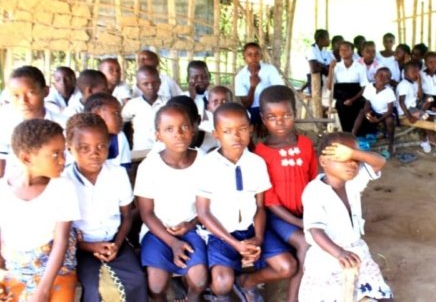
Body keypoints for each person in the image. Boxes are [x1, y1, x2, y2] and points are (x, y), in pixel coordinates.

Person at [196, 103, 296, 301]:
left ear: (250, 129)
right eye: (227, 131)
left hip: (252, 231)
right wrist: (236, 244)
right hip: (221, 235)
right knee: (222, 284)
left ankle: (246, 283)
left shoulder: (256, 163)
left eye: (242, 129)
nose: (236, 136)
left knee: (288, 266)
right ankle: (215, 291)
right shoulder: (207, 165)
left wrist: (258, 238)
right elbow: (203, 213)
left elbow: (259, 206)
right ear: (216, 134)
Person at [299, 132, 393, 301]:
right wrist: (339, 253)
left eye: (355, 160)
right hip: (327, 257)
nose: (352, 164)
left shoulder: (353, 182)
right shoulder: (314, 191)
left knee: (382, 296)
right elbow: (315, 231)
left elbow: (380, 162)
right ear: (323, 161)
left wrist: (353, 153)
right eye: (342, 158)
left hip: (356, 251)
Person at [63, 113, 146, 301]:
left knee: (137, 280)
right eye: (84, 148)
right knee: (95, 288)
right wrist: (89, 246)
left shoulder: (117, 174)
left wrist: (116, 244)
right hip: (79, 247)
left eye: (101, 146)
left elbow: (126, 217)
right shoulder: (63, 181)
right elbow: (62, 230)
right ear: (69, 148)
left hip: (115, 241)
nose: (94, 153)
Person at [134, 104, 209, 302]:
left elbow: (205, 208)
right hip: (157, 231)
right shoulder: (149, 167)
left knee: (199, 280)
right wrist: (173, 243)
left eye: (184, 127)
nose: (178, 134)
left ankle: (190, 299)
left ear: (193, 129)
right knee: (156, 285)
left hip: (192, 228)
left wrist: (190, 225)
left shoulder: (204, 162)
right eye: (169, 129)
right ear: (158, 135)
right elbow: (147, 214)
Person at [0, 119, 80, 301]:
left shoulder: (63, 188)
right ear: (27, 158)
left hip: (55, 267)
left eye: (63, 152)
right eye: (54, 154)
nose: (63, 160)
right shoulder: (3, 189)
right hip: (17, 266)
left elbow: (61, 242)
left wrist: (43, 290)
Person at [255, 86, 318, 302]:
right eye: (272, 117)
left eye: (286, 115)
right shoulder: (261, 153)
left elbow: (313, 183)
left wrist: (311, 215)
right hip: (277, 217)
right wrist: (300, 223)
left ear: (295, 114)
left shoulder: (306, 145)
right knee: (306, 243)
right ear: (263, 118)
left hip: (305, 212)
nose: (280, 122)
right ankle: (293, 298)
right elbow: (269, 201)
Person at [0, 66, 68, 178]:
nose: (23, 101)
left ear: (46, 91)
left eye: (31, 93)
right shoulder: (5, 125)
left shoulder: (64, 125)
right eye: (16, 96)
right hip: (15, 189)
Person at [235, 42, 284, 126]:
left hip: (270, 107)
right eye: (249, 54)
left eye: (256, 54)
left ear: (261, 56)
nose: (253, 57)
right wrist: (253, 86)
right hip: (252, 110)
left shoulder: (270, 70)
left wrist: (267, 115)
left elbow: (279, 92)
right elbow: (246, 104)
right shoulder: (240, 76)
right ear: (244, 58)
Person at [122, 66, 170, 150]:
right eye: (145, 84)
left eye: (154, 83)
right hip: (140, 151)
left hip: (164, 150)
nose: (150, 87)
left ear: (159, 82)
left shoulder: (168, 103)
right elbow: (122, 122)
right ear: (138, 86)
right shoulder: (132, 105)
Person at [352, 68, 396, 154]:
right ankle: (352, 135)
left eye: (387, 77)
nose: (383, 78)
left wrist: (378, 120)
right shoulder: (369, 87)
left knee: (389, 120)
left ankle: (391, 143)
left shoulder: (389, 91)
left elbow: (390, 110)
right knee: (362, 112)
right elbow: (367, 104)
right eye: (380, 75)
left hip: (385, 113)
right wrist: (367, 115)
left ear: (388, 81)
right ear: (374, 76)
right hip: (374, 110)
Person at [327, 41, 367, 133]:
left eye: (346, 49)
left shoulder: (360, 66)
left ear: (352, 51)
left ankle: (356, 133)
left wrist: (353, 99)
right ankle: (346, 134)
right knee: (340, 106)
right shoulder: (336, 67)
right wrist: (331, 69)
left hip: (356, 96)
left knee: (360, 107)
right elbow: (330, 87)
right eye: (341, 50)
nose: (343, 52)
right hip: (341, 97)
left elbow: (364, 87)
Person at [84, 93, 132, 168]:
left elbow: (125, 169)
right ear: (97, 114)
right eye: (116, 113)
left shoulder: (120, 137)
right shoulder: (80, 138)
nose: (121, 118)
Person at [305, 29, 333, 95]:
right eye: (327, 38)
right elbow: (314, 69)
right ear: (320, 40)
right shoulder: (311, 50)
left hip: (325, 81)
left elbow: (330, 69)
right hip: (315, 81)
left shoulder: (325, 52)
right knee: (317, 102)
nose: (329, 40)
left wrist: (320, 64)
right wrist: (325, 67)